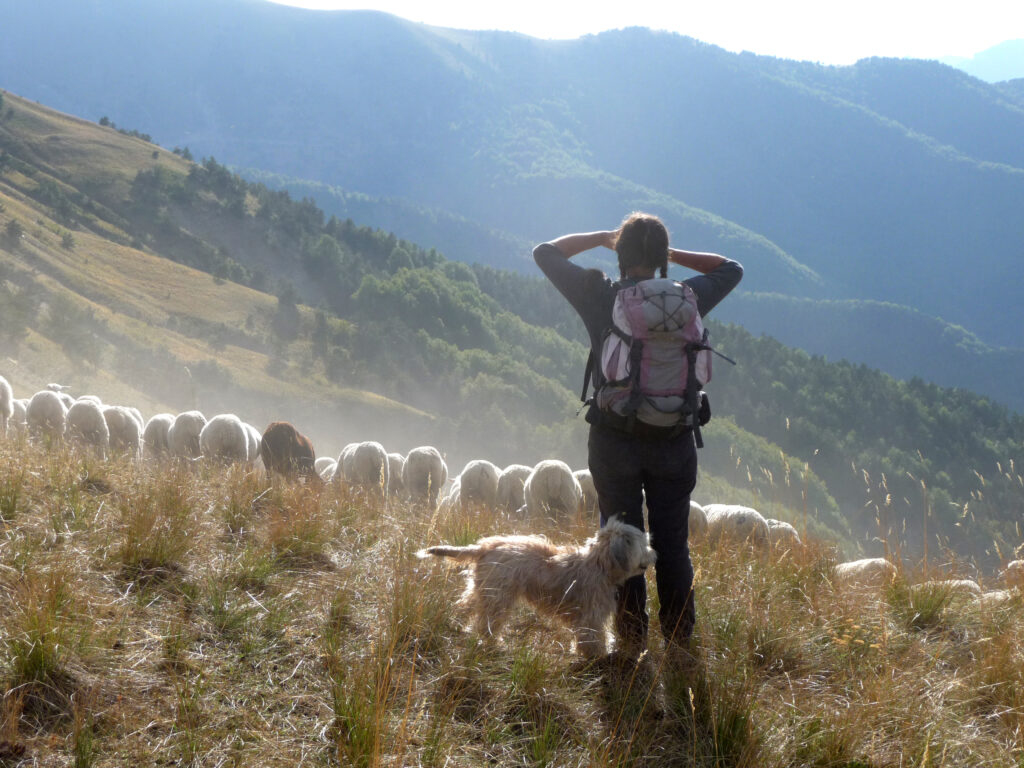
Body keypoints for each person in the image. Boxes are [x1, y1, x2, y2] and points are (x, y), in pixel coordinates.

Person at [533, 211, 743, 660]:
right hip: (675, 441)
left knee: (622, 543)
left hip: (615, 442)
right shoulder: (687, 298)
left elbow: (545, 252)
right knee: (672, 545)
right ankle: (681, 647)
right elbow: (731, 269)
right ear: (662, 259)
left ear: (621, 254)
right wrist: (672, 253)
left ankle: (630, 645)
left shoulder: (601, 295)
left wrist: (599, 238)